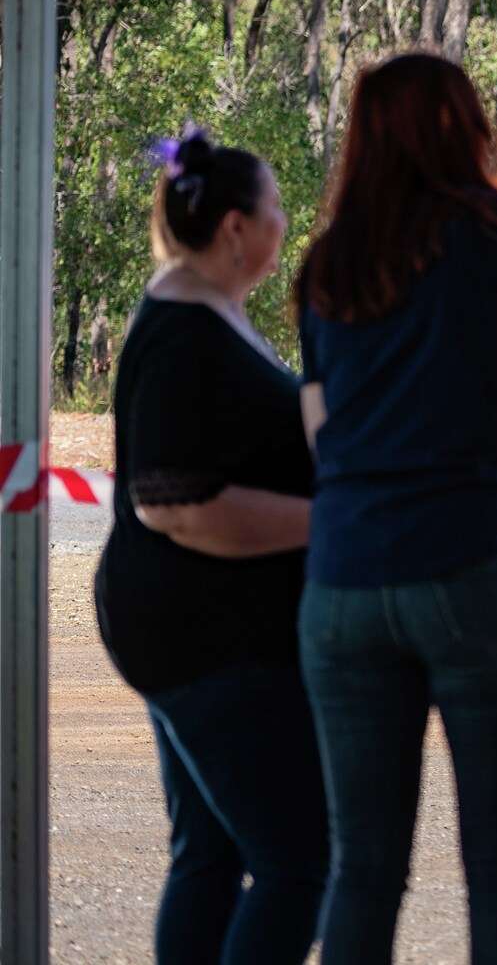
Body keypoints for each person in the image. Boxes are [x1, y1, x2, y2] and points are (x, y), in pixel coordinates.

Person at [293, 53, 497, 962]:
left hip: (341, 579)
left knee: (361, 872)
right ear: (467, 126)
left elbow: (320, 430)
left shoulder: (327, 264)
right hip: (473, 556)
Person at [93, 129, 329, 964]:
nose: (285, 222)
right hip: (205, 640)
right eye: (275, 208)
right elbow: (177, 504)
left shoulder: (208, 313)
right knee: (302, 864)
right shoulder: (183, 332)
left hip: (196, 631)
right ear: (235, 227)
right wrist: (330, 521)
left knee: (213, 852)